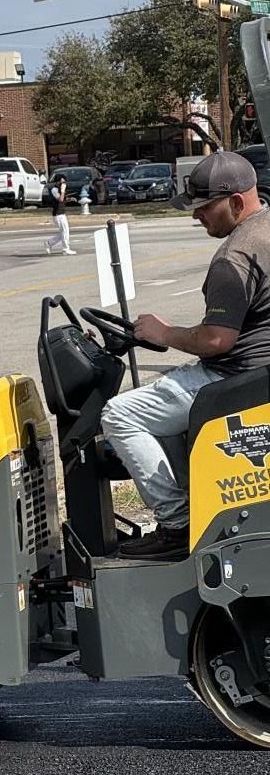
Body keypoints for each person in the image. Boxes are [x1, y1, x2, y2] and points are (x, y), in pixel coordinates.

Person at [101, 152, 270, 560]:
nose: (197, 217)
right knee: (165, 415)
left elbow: (216, 341)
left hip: (235, 380)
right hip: (260, 375)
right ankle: (195, 503)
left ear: (236, 202)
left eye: (203, 207)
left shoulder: (236, 255)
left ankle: (177, 524)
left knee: (119, 415)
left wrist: (164, 332)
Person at [43, 173, 76, 255]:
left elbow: (63, 199)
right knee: (65, 231)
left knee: (63, 233)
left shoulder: (59, 190)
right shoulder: (54, 190)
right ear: (57, 182)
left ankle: (49, 243)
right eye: (62, 182)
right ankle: (65, 249)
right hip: (58, 214)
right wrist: (62, 190)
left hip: (62, 213)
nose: (63, 184)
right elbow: (60, 199)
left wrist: (70, 199)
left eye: (64, 183)